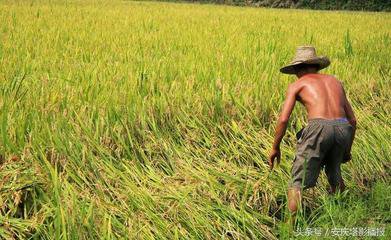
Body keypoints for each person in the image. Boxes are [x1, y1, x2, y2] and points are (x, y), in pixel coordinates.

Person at [268, 46, 357, 220]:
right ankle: (346, 216)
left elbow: (283, 119)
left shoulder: (297, 84)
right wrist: (347, 150)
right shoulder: (335, 81)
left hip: (319, 128)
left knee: (297, 183)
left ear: (297, 69)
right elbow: (352, 120)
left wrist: (275, 147)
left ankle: (290, 230)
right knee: (334, 172)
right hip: (343, 127)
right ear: (316, 66)